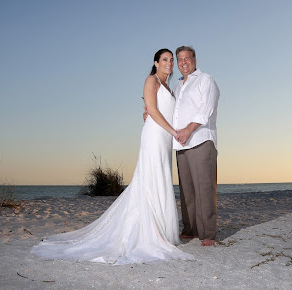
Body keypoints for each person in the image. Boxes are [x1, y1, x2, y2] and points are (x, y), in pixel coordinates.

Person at [31, 49, 194, 265]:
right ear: (156, 63)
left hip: (165, 139)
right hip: (155, 136)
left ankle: (162, 230)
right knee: (149, 178)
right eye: (165, 60)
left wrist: (174, 130)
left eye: (171, 60)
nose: (169, 63)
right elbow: (153, 111)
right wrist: (173, 131)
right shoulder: (151, 80)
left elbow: (166, 110)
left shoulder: (168, 87)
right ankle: (147, 232)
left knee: (161, 177)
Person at [172, 46, 220, 247]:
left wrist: (188, 130)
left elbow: (206, 109)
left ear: (195, 60)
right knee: (187, 189)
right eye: (180, 59)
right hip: (181, 143)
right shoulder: (177, 86)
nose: (184, 62)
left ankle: (208, 232)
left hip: (200, 139)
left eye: (187, 58)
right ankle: (190, 229)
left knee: (204, 187)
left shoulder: (205, 79)